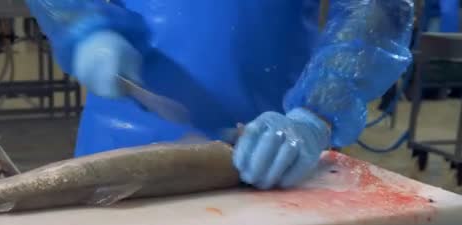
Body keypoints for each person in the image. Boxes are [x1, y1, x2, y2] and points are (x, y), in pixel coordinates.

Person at [26, 0, 414, 189]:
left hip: (278, 151)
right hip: (121, 139)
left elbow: (377, 7)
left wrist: (317, 113)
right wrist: (81, 25)